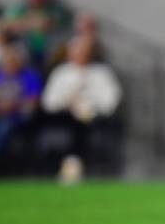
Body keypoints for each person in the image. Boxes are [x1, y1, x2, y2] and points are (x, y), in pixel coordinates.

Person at [41, 32, 122, 182]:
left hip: (96, 117)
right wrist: (69, 102)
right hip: (66, 116)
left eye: (85, 52)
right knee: (74, 124)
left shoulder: (101, 72)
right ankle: (72, 164)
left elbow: (111, 98)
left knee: (89, 122)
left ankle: (77, 165)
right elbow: (49, 102)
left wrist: (93, 107)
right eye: (77, 51)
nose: (81, 55)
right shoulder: (61, 73)